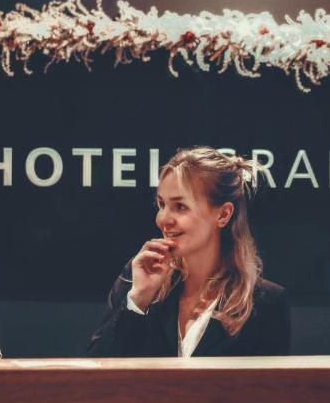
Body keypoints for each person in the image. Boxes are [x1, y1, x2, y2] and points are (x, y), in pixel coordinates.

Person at [88, 147, 290, 357]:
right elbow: (98, 372)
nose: (163, 219)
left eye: (180, 206)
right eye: (161, 204)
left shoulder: (267, 302)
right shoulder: (137, 277)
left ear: (223, 214)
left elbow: (268, 389)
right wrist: (139, 299)